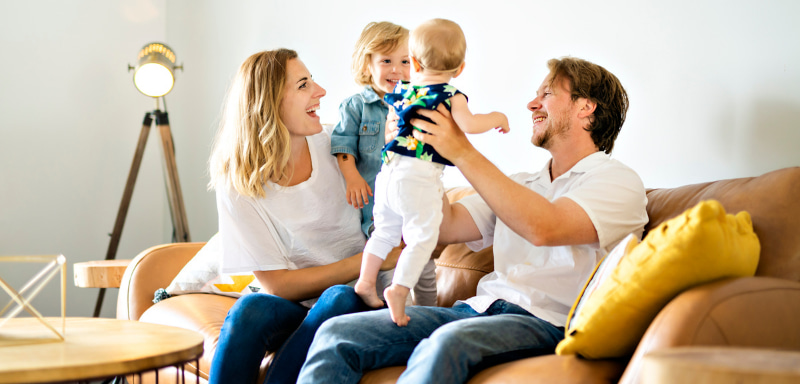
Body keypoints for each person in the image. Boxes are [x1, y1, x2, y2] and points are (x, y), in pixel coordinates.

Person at [297, 56, 649, 384]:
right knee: (336, 333)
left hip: (543, 322)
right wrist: (410, 158)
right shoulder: (521, 184)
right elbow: (444, 225)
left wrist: (461, 149)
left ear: (586, 108)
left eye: (547, 94)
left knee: (446, 343)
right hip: (473, 310)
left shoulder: (617, 181)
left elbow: (546, 228)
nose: (531, 104)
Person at [207, 49, 399, 384]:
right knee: (248, 311)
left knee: (338, 296)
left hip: (361, 298)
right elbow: (276, 284)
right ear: (268, 104)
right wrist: (369, 258)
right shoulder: (238, 181)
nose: (320, 91)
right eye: (303, 85)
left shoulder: (339, 148)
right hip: (298, 306)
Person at [354, 18, 509, 326]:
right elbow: (469, 125)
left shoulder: (403, 91)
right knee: (422, 240)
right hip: (417, 180)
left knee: (384, 232)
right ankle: (399, 289)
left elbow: (393, 127)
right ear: (460, 68)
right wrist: (497, 117)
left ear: (413, 62)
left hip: (387, 174)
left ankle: (365, 280)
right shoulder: (451, 95)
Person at [332, 21, 438, 308]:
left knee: (423, 257)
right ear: (368, 65)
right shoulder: (356, 106)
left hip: (413, 196)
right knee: (386, 253)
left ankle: (429, 311)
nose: (396, 69)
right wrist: (352, 176)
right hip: (379, 202)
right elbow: (342, 144)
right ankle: (385, 303)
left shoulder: (417, 102)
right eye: (386, 61)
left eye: (404, 61)